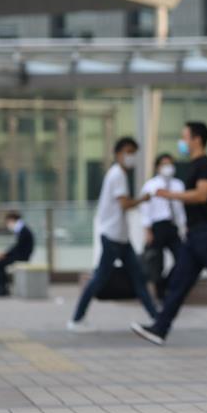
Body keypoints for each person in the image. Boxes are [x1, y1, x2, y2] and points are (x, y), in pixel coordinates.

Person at [130, 121, 207, 345]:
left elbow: (202, 195)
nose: (183, 142)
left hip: (206, 236)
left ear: (197, 139)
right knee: (178, 283)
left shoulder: (205, 165)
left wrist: (169, 195)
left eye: (185, 137)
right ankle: (160, 329)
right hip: (195, 236)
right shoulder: (195, 165)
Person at [68, 137, 158, 332]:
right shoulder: (117, 175)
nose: (131, 156)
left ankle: (157, 319)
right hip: (112, 237)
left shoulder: (118, 174)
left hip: (121, 238)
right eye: (128, 152)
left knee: (138, 278)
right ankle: (76, 319)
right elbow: (124, 203)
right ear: (118, 154)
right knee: (100, 279)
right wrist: (143, 199)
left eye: (134, 152)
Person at [140, 153, 187, 300]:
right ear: (158, 167)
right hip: (157, 227)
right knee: (156, 262)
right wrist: (147, 230)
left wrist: (183, 226)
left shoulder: (178, 185)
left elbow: (180, 209)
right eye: (164, 164)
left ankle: (165, 284)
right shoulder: (151, 185)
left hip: (173, 227)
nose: (168, 167)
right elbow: (145, 209)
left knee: (183, 258)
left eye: (170, 164)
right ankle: (160, 294)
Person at [0, 211, 34, 297]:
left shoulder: (23, 230)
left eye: (8, 222)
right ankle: (0, 288)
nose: (8, 225)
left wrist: (5, 254)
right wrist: (5, 254)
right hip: (20, 255)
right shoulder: (23, 229)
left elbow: (17, 247)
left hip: (21, 257)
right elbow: (17, 247)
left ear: (12, 220)